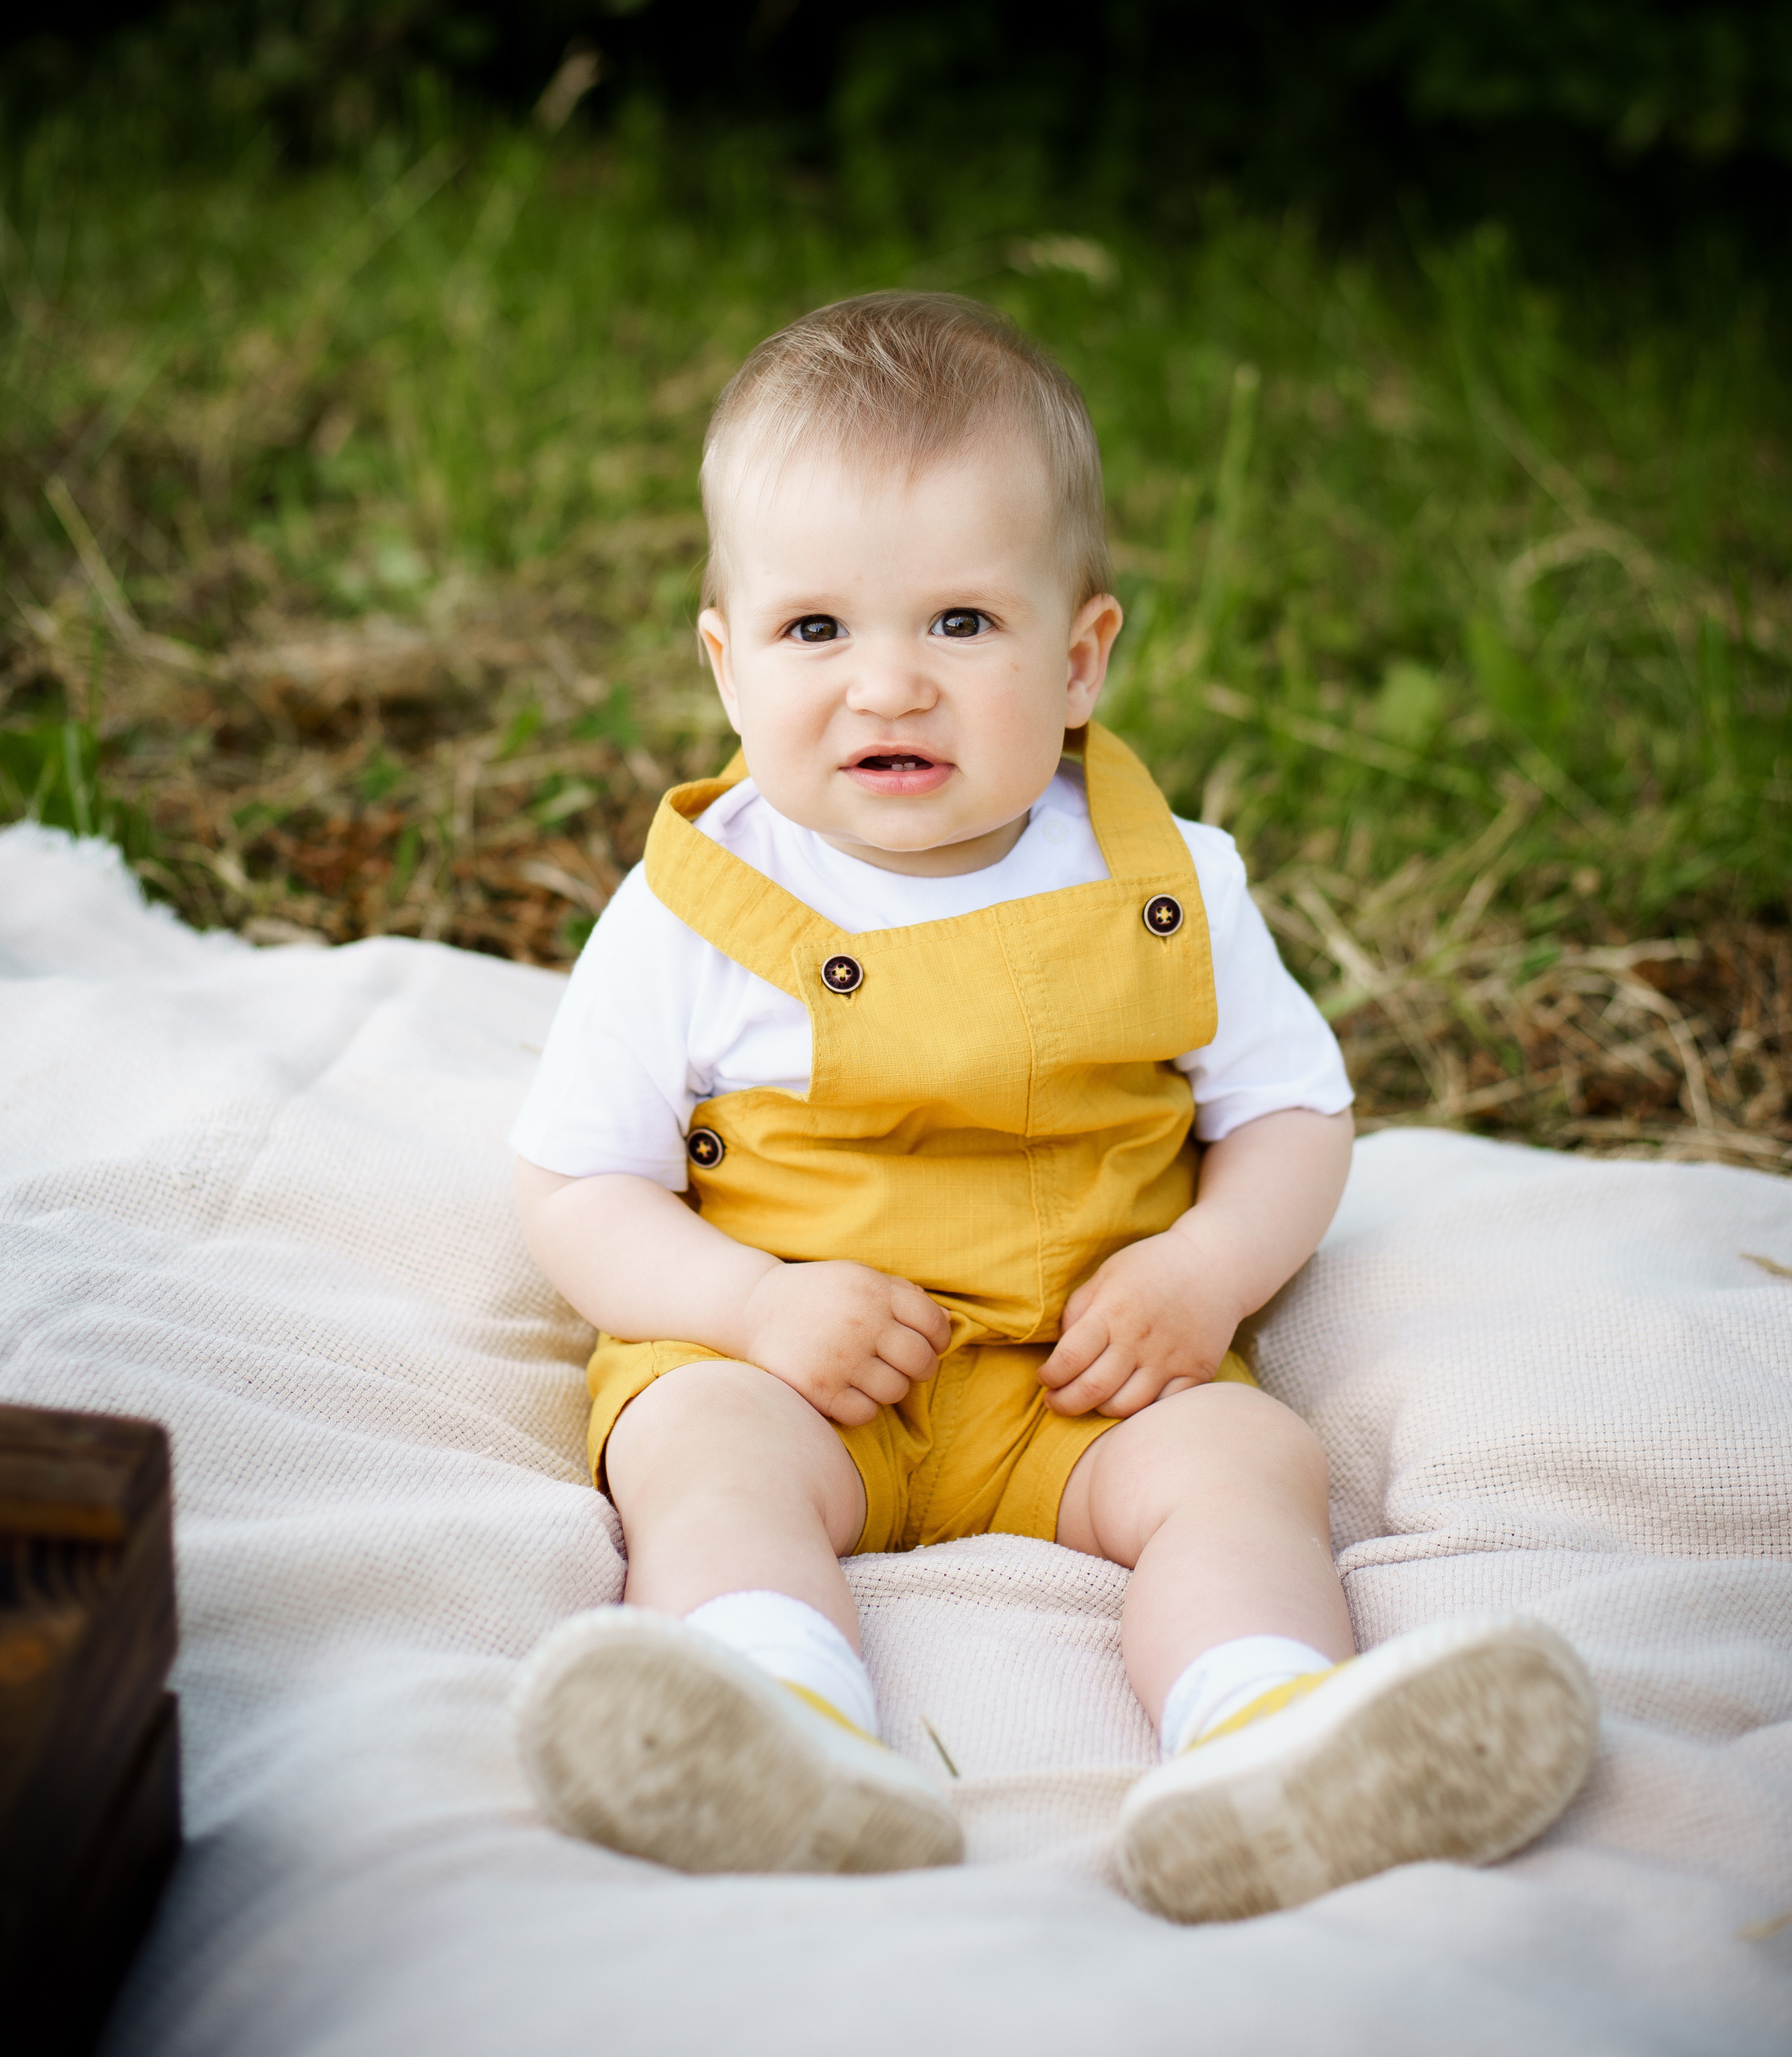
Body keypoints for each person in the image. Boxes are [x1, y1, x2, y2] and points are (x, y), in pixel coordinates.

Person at [508, 291, 1596, 1921]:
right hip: (790, 1355)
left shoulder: (1167, 881)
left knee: (1240, 1461)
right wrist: (746, 1305)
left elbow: (1292, 1122)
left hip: (1079, 1375)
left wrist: (1205, 1273)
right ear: (725, 664)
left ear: (1078, 659)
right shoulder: (690, 912)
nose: (887, 688)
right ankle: (770, 1716)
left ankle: (1268, 1741)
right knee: (698, 1458)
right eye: (817, 632)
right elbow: (574, 1191)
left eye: (958, 623)